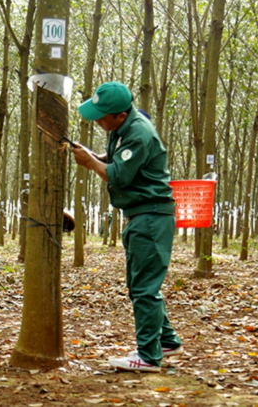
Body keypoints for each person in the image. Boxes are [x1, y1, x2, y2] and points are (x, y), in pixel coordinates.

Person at [70, 81, 182, 372]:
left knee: (145, 289)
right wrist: (95, 155)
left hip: (151, 218)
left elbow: (118, 174)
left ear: (120, 114)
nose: (97, 121)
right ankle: (166, 340)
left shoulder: (138, 133)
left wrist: (90, 164)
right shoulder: (125, 127)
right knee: (140, 286)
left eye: (102, 116)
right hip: (142, 216)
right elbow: (117, 159)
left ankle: (148, 356)